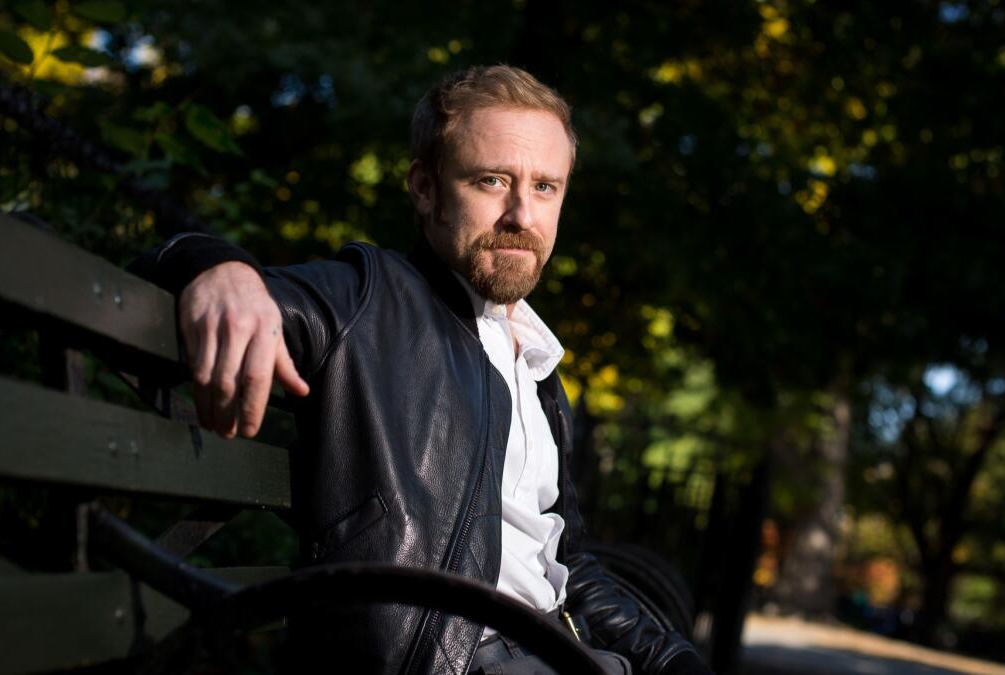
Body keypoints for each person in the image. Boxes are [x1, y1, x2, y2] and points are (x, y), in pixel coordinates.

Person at [132, 65, 710, 675]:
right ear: (425, 189)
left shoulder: (537, 365)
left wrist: (672, 661)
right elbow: (166, 282)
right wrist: (216, 267)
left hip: (556, 653)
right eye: (492, 181)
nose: (522, 214)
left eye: (546, 188)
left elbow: (567, 565)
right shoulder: (369, 302)